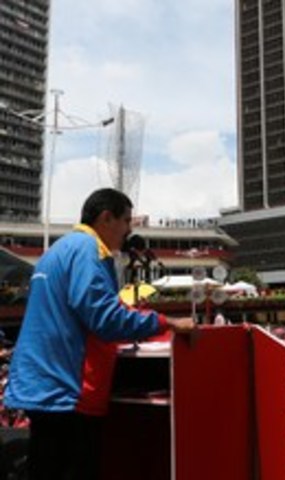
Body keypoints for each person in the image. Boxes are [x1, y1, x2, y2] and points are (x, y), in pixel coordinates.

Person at [3, 188, 195, 480]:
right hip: (67, 389)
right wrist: (167, 322)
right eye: (126, 221)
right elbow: (105, 319)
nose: (129, 231)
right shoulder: (88, 250)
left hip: (41, 385)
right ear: (107, 218)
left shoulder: (56, 251)